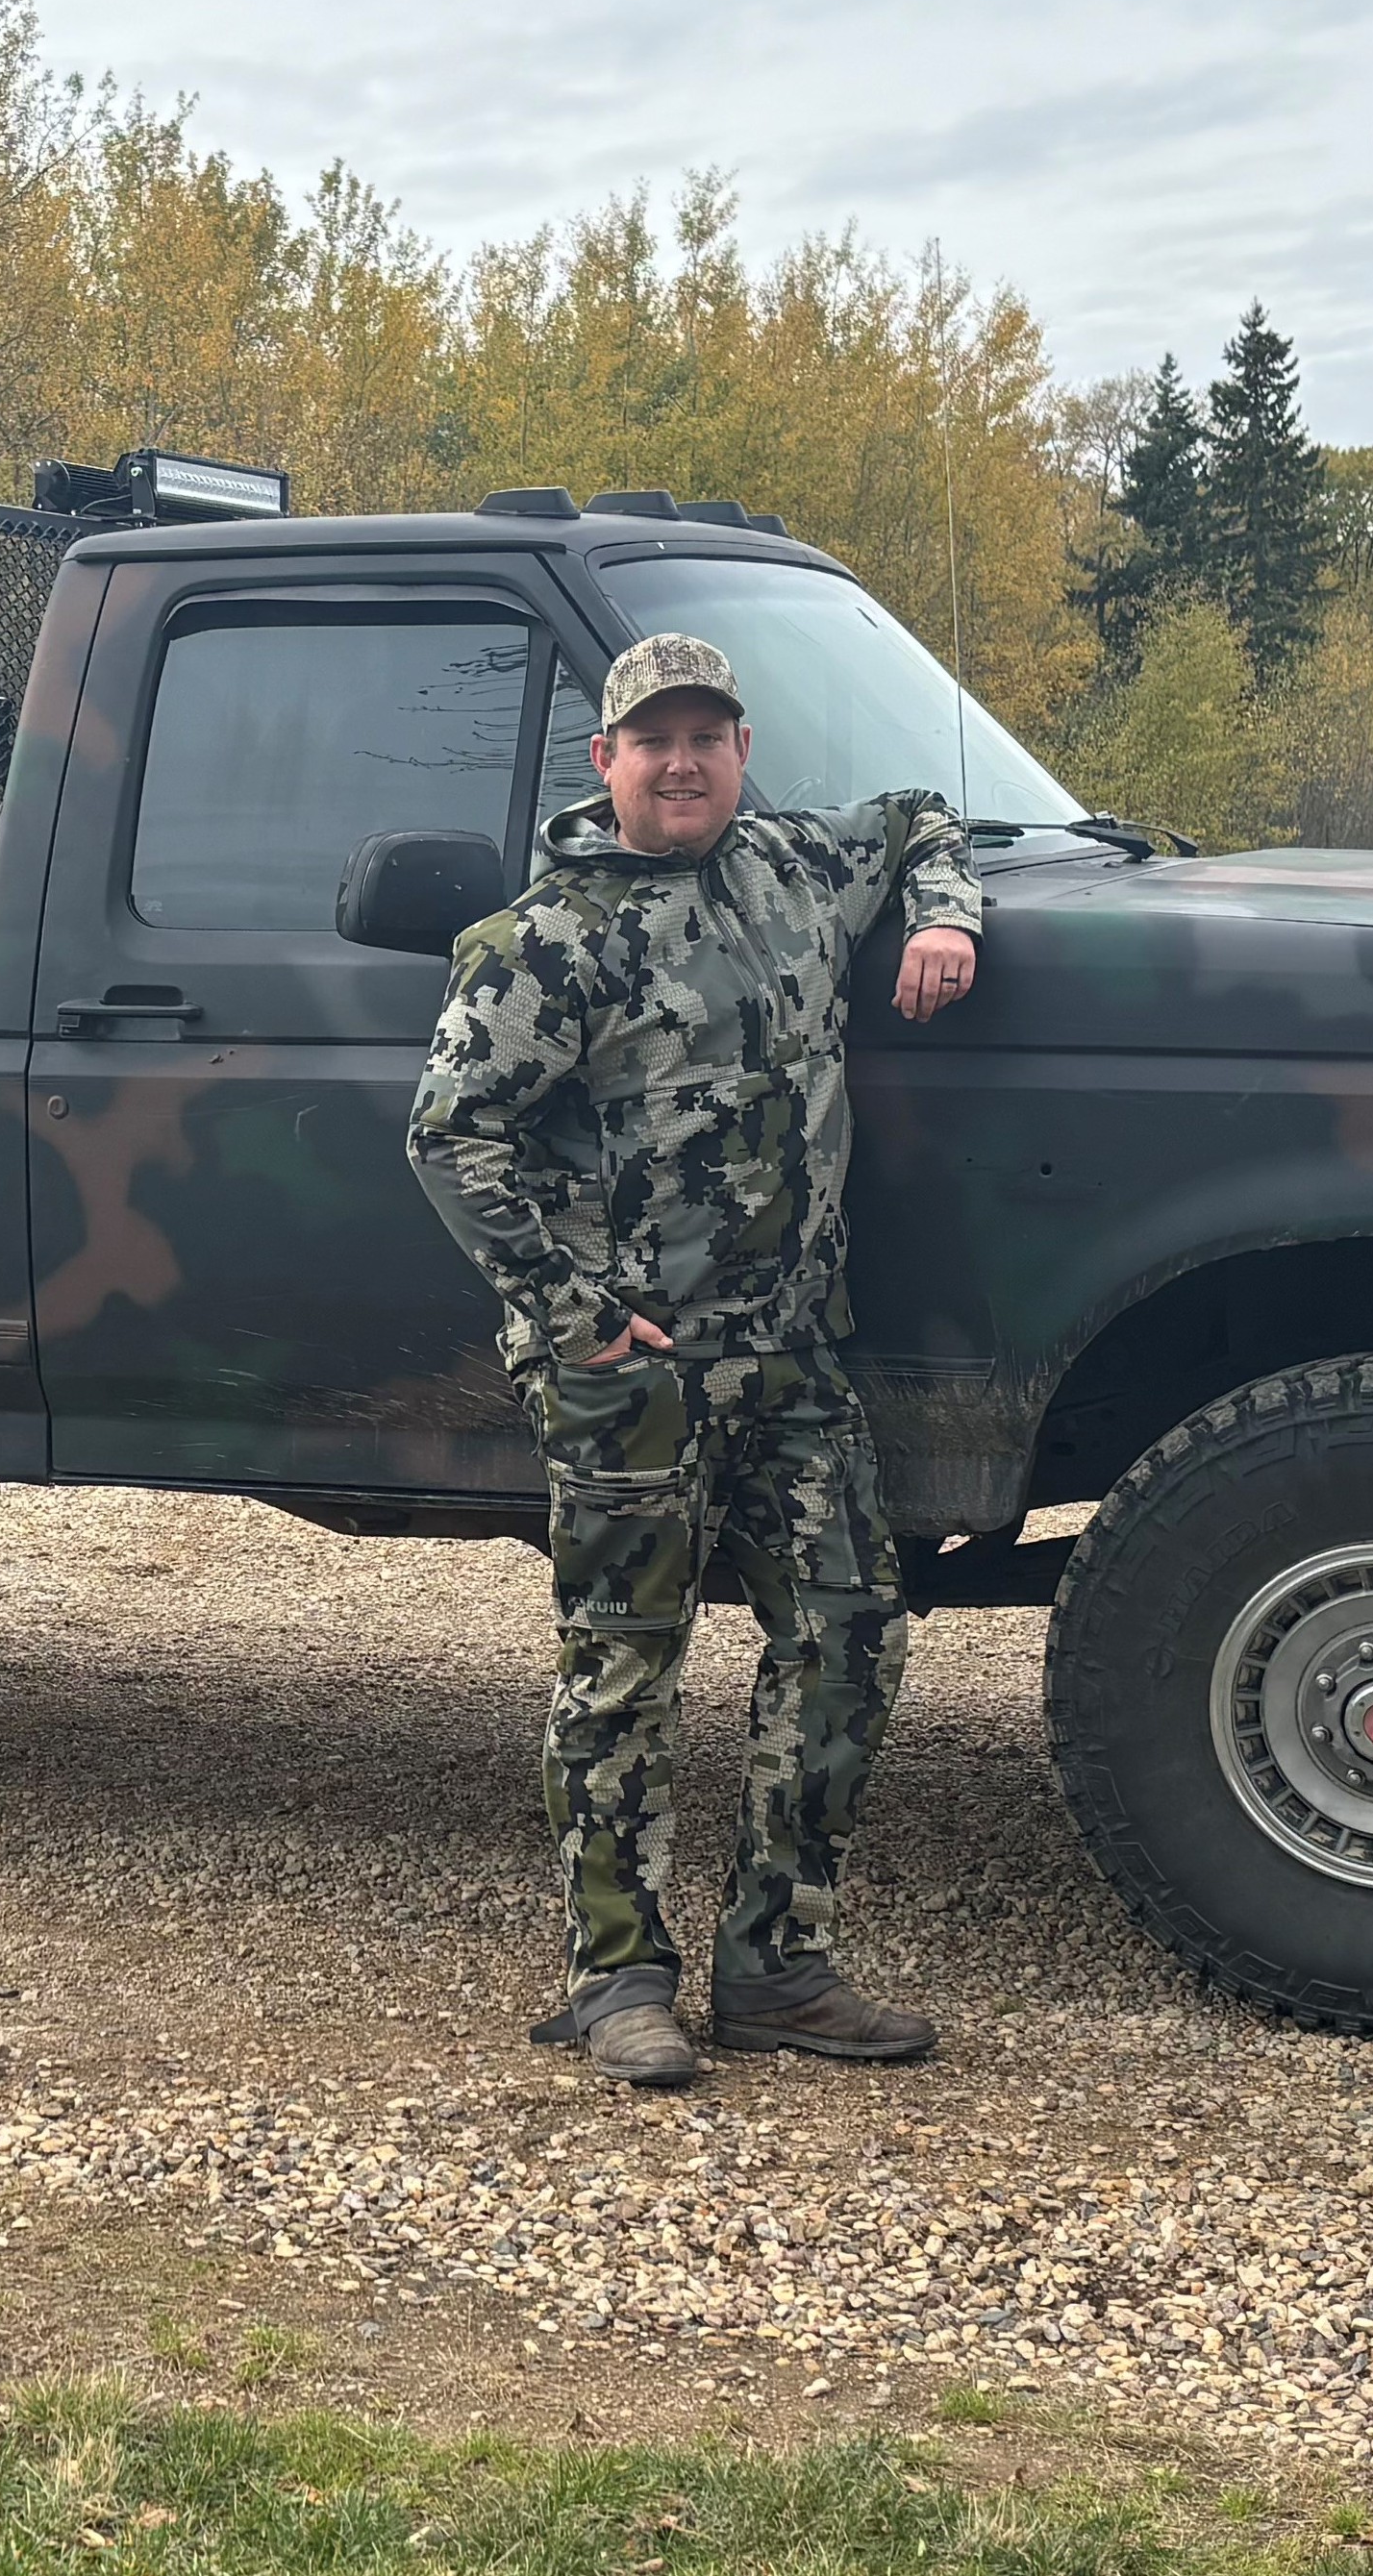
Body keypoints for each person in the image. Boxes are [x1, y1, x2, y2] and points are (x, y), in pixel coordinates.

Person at [406, 630, 986, 2091]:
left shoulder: (798, 868)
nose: (682, 761)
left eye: (707, 735)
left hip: (791, 1355)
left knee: (851, 1636)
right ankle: (617, 1975)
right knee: (626, 1667)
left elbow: (921, 813)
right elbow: (447, 1134)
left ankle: (777, 1962)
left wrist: (945, 917)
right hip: (631, 1371)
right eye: (652, 739)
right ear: (606, 763)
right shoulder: (547, 940)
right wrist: (576, 1307)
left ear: (740, 750)